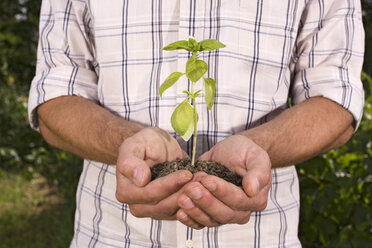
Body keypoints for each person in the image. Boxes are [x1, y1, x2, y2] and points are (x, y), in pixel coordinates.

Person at [28, 0, 365, 247]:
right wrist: (126, 143)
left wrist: (259, 149)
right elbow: (56, 93)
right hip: (111, 236)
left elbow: (336, 98)